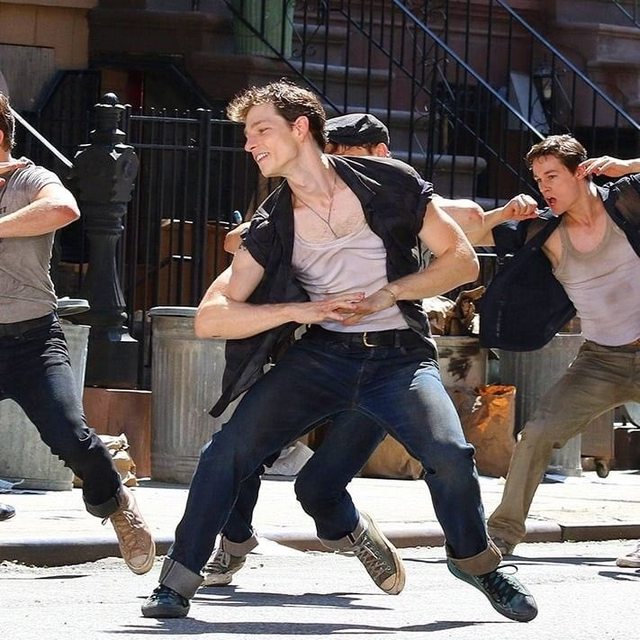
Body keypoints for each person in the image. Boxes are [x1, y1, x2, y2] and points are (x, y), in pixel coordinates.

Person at [141, 80, 537, 623]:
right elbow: (212, 317)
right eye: (247, 134)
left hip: (399, 358)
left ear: (300, 127)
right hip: (323, 357)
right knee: (226, 452)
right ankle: (178, 579)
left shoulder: (389, 182)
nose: (250, 144)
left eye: (261, 130)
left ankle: (476, 563)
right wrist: (300, 311)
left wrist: (390, 293)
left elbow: (462, 260)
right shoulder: (272, 223)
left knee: (449, 454)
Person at [206, 111, 486, 589]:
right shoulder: (302, 195)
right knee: (239, 450)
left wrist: (495, 217)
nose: (336, 167)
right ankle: (232, 543)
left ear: (380, 155)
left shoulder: (399, 193)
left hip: (389, 362)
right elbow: (238, 240)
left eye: (347, 156)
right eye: (330, 155)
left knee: (318, 486)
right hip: (318, 352)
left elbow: (470, 227)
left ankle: (355, 531)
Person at [0, 92, 155, 573]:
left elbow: (63, 209)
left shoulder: (30, 179)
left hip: (31, 342)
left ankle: (115, 503)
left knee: (71, 437)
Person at [472, 134, 640, 566]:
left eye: (552, 176)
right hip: (600, 360)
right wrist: (504, 213)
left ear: (581, 172)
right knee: (537, 433)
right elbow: (460, 234)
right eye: (538, 179)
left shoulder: (626, 202)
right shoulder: (539, 230)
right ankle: (500, 537)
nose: (544, 187)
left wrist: (628, 166)